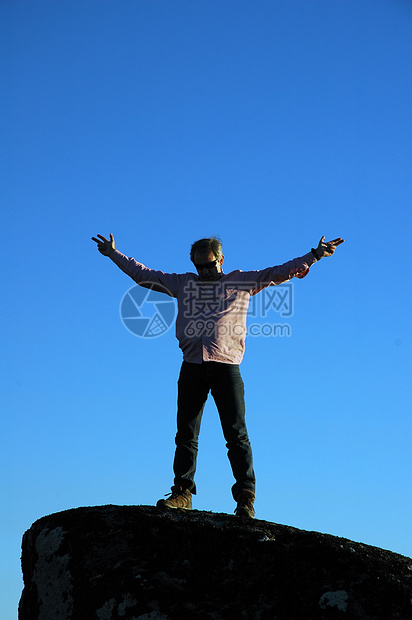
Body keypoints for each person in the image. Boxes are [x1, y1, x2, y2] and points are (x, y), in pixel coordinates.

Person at [92, 233, 344, 518]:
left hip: (226, 367)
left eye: (210, 266)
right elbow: (143, 275)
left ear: (221, 260)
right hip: (192, 366)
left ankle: (245, 499)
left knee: (236, 434)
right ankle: (182, 493)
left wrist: (314, 255)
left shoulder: (240, 282)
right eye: (200, 267)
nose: (205, 272)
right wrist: (114, 254)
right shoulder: (183, 283)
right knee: (186, 433)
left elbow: (279, 272)